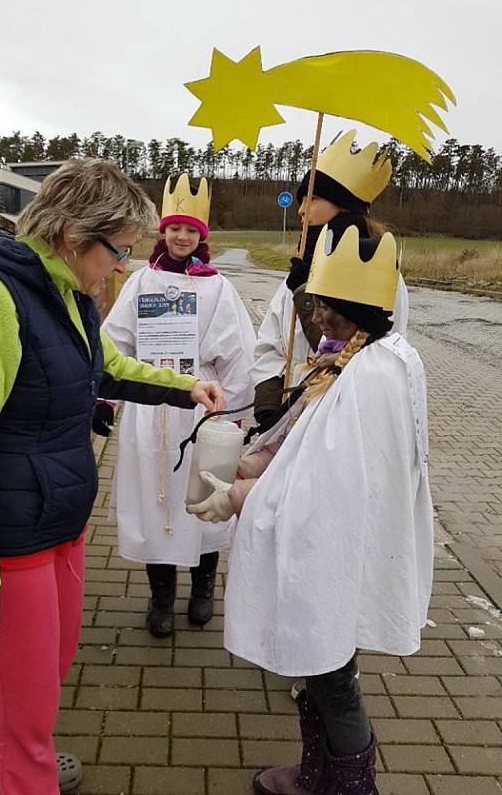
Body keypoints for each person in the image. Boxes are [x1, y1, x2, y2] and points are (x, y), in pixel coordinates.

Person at [0, 159, 225, 795]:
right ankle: (20, 772)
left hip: (60, 522)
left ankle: (9, 768)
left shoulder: (67, 295)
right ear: (71, 235)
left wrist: (186, 386)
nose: (122, 267)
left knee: (46, 675)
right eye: (118, 251)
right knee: (25, 708)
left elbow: (107, 368)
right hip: (11, 543)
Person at [188, 224, 433, 795]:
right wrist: (253, 462)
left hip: (334, 544)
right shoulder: (356, 359)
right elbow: (306, 443)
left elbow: (322, 483)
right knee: (316, 667)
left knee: (331, 673)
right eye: (317, 305)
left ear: (360, 311)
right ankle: (317, 773)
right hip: (335, 540)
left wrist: (238, 496)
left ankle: (349, 786)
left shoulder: (369, 375)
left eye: (329, 310)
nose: (317, 318)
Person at [103, 173, 255, 637]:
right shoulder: (142, 281)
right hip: (150, 408)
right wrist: (106, 396)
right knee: (155, 499)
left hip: (200, 404)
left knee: (204, 491)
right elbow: (114, 343)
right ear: (162, 231)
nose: (182, 237)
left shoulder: (218, 287)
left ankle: (204, 587)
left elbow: (238, 353)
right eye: (175, 228)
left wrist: (231, 415)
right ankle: (161, 597)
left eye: (191, 230)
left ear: (202, 235)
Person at [252, 130, 409, 435]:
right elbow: (271, 342)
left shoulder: (380, 271)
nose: (300, 210)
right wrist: (269, 405)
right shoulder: (299, 271)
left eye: (312, 198)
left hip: (347, 421)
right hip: (290, 417)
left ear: (341, 204)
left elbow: (382, 349)